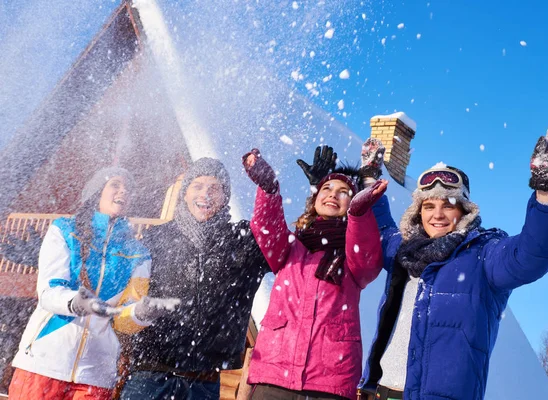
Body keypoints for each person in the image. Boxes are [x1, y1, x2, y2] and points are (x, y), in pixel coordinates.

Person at [357, 121, 548, 400]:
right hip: (380, 392)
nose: (437, 214)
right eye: (429, 206)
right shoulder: (404, 251)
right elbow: (378, 229)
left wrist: (545, 193)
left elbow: (531, 256)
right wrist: (368, 179)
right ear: (418, 212)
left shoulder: (483, 255)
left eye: (448, 205)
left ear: (464, 211)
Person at [8, 167, 177, 400]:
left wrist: (142, 314)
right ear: (97, 190)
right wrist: (74, 302)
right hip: (44, 363)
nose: (123, 191)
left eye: (128, 188)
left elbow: (124, 321)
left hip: (95, 374)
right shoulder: (64, 231)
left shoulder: (138, 253)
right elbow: (48, 291)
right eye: (115, 184)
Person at [119, 158, 270, 400]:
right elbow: (124, 297)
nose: (206, 194)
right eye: (198, 186)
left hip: (202, 382)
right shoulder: (156, 238)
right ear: (185, 192)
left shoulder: (242, 240)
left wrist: (269, 191)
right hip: (149, 376)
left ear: (225, 196)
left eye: (215, 188)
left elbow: (279, 242)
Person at [242, 148, 386, 400]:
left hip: (329, 382)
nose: (333, 195)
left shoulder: (353, 254)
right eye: (327, 189)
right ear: (315, 197)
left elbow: (369, 260)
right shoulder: (292, 246)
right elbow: (266, 226)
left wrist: (360, 215)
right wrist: (269, 189)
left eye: (344, 192)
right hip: (274, 375)